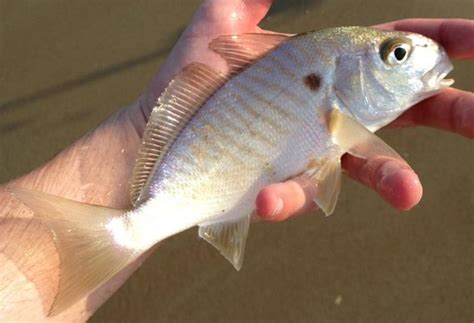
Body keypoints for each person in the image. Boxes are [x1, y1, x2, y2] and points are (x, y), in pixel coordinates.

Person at [0, 0, 472, 321]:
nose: (414, 60)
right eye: (397, 54)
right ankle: (122, 232)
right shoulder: (331, 87)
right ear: (342, 72)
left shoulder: (333, 83)